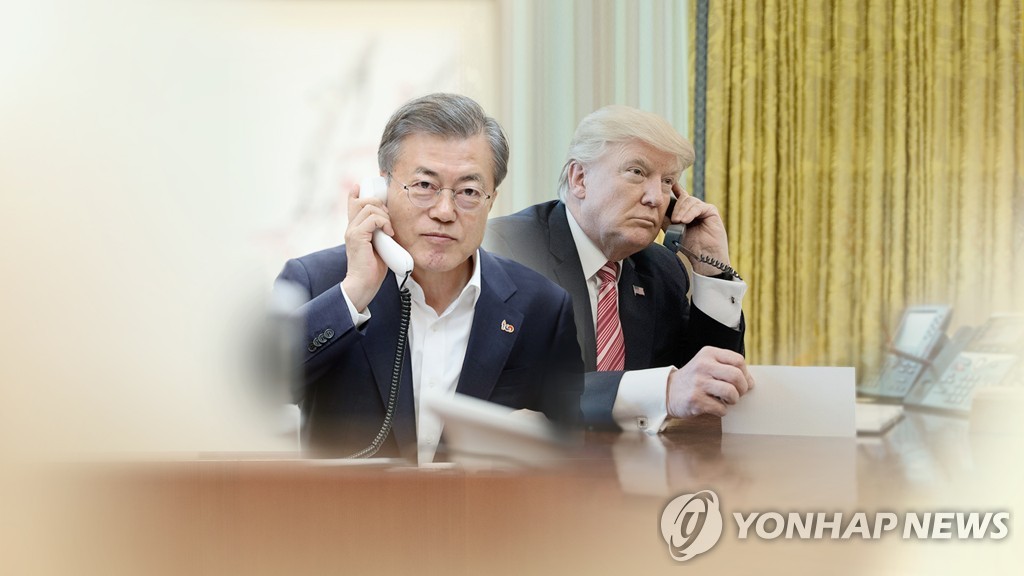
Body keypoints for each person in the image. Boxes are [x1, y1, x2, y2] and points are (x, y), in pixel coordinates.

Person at [276, 93, 583, 462]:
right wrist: (353, 293)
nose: (444, 211)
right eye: (424, 186)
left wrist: (544, 441)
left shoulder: (542, 307)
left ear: (491, 199)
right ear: (382, 188)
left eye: (469, 191)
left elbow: (574, 446)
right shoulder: (316, 281)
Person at [484, 105, 754, 433]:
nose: (656, 198)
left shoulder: (662, 269)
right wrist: (662, 389)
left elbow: (706, 389)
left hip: (632, 461)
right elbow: (511, 392)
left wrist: (711, 268)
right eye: (637, 172)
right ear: (580, 179)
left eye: (668, 182)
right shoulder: (506, 250)